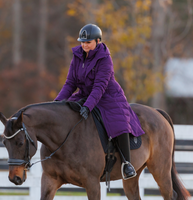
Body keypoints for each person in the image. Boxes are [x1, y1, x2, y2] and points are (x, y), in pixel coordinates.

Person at [55, 24, 145, 180]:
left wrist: (87, 106)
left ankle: (126, 163)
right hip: (84, 94)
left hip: (108, 96)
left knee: (119, 122)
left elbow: (99, 87)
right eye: (82, 42)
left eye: (88, 42)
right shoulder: (77, 55)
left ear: (98, 41)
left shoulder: (105, 59)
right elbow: (70, 83)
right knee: (67, 112)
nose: (84, 45)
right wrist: (56, 104)